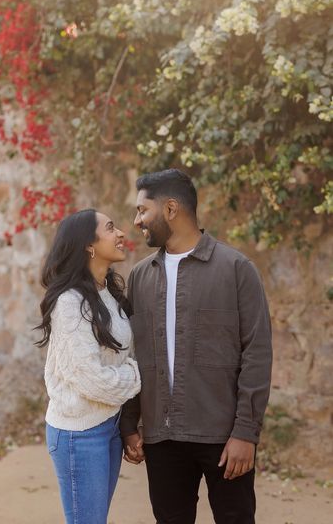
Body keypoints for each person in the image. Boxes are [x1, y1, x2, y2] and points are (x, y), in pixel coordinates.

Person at [120, 169, 272, 524]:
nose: (137, 221)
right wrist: (130, 424)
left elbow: (257, 353)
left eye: (143, 210)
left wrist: (246, 433)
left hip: (224, 437)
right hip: (161, 438)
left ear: (171, 209)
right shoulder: (140, 277)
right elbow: (130, 355)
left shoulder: (236, 269)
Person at [35, 208, 141, 524]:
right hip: (78, 435)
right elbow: (91, 379)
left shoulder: (107, 292)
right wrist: (140, 374)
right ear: (88, 245)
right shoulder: (70, 303)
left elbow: (120, 359)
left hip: (108, 424)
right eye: (110, 227)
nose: (121, 232)